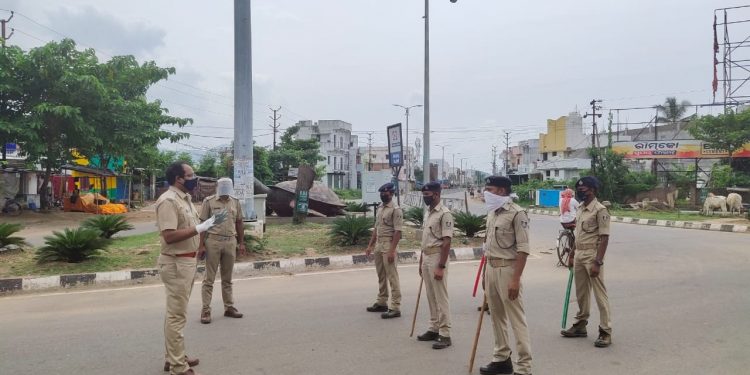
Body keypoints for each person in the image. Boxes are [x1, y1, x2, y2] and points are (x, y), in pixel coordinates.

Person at [156, 161, 226, 375]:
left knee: (175, 313)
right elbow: (168, 236)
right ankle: (178, 366)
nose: (194, 177)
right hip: (176, 262)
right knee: (177, 315)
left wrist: (207, 224)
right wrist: (201, 227)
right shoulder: (168, 201)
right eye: (191, 174)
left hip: (186, 261)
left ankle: (173, 356)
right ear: (179, 178)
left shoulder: (183, 199)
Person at [479, 176, 533, 375]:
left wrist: (516, 279)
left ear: (501, 191)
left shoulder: (517, 214)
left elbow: (523, 250)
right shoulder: (493, 213)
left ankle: (524, 367)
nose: (486, 192)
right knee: (496, 317)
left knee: (516, 319)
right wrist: (486, 273)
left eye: (489, 189)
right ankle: (502, 358)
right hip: (491, 269)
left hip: (508, 270)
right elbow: (489, 246)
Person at [561, 176, 613, 348]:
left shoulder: (600, 210)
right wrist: (572, 253)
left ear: (593, 190)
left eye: (584, 189)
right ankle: (580, 325)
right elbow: (578, 234)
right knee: (581, 293)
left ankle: (605, 331)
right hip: (579, 254)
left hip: (592, 254)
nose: (580, 192)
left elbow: (604, 238)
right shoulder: (581, 208)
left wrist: (598, 262)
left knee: (599, 294)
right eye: (579, 189)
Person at [198, 177, 245, 324]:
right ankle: (206, 310)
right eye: (222, 186)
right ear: (218, 187)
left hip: (230, 241)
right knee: (209, 279)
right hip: (213, 241)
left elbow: (239, 222)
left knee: (227, 279)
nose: (225, 189)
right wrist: (201, 246)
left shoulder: (235, 201)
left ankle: (229, 307)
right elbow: (203, 224)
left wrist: (241, 243)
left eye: (227, 186)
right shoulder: (209, 201)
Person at [416, 181, 454, 349]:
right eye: (423, 195)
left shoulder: (444, 214)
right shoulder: (428, 213)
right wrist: (421, 261)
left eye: (427, 195)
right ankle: (434, 327)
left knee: (440, 297)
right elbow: (425, 239)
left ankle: (445, 334)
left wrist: (441, 266)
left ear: (437, 195)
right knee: (431, 296)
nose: (425, 198)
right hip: (426, 256)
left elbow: (446, 242)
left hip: (438, 257)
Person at [364, 182, 404, 319]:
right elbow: (376, 228)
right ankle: (382, 301)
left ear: (391, 194)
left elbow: (398, 232)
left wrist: (392, 251)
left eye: (385, 193)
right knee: (381, 275)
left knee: (392, 276)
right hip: (379, 244)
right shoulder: (381, 208)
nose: (382, 195)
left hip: (389, 244)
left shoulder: (396, 210)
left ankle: (395, 307)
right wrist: (370, 245)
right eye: (381, 193)